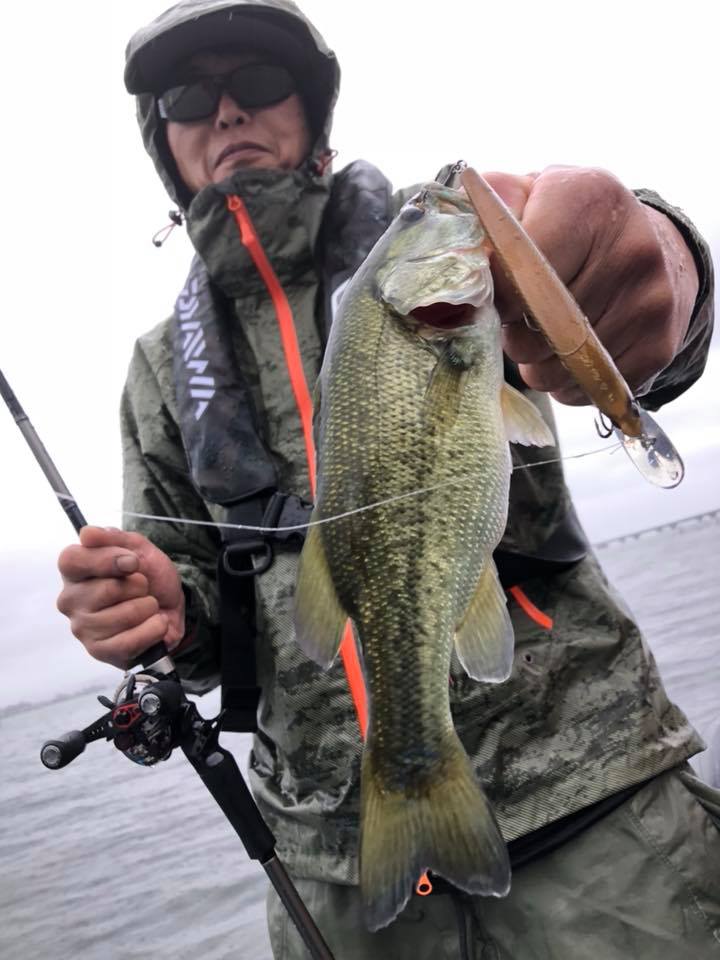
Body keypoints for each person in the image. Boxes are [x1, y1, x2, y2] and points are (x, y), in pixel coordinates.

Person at [56, 1, 719, 957]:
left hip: (596, 811)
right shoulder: (162, 370)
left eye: (258, 83)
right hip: (334, 859)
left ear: (311, 106)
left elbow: (637, 324)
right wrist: (162, 614)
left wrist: (664, 262)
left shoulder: (442, 246)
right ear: (163, 139)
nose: (227, 112)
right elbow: (200, 638)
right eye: (189, 99)